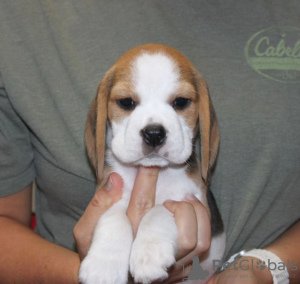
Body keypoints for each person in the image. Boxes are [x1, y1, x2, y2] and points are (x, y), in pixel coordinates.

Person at [0, 1, 299, 283]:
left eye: (180, 102)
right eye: (127, 102)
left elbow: (182, 210)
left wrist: (266, 270)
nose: (153, 129)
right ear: (102, 111)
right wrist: (94, 266)